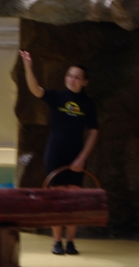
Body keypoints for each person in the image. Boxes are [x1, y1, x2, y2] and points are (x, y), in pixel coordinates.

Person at [19, 51, 99, 255]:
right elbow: (35, 90)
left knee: (73, 198)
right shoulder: (57, 97)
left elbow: (93, 132)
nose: (72, 79)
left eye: (77, 77)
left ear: (85, 82)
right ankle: (56, 241)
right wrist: (28, 66)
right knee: (56, 197)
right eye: (69, 75)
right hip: (55, 153)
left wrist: (82, 158)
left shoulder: (88, 104)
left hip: (76, 154)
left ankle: (70, 241)